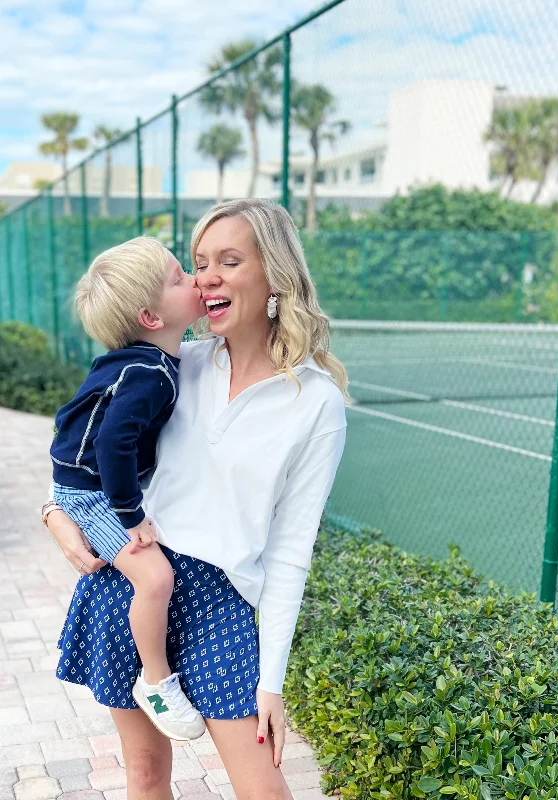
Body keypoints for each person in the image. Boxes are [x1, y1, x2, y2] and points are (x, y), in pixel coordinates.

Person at [44, 198, 348, 800]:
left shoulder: (317, 404)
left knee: (263, 787)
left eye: (228, 260)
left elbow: (290, 552)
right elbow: (85, 438)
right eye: (197, 262)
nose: (206, 276)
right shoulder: (172, 364)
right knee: (147, 777)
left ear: (274, 275)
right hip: (132, 583)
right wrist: (54, 512)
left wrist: (272, 682)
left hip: (220, 601)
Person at [49, 237, 205, 740]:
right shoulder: (149, 373)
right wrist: (131, 516)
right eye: (180, 278)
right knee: (154, 577)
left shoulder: (144, 362)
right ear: (151, 317)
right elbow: (114, 443)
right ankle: (156, 680)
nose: (195, 279)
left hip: (86, 484)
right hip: (92, 492)